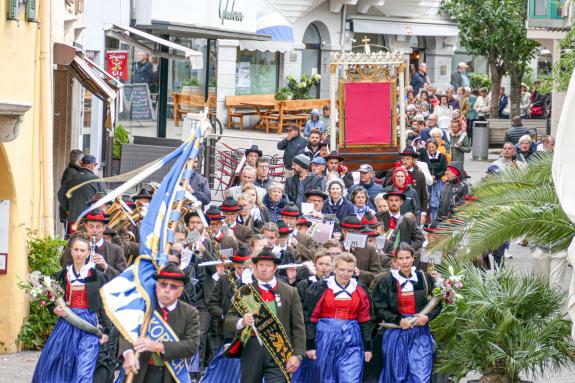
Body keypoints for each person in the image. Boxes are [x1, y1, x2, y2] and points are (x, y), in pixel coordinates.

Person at [32, 236, 111, 383]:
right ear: (71, 252)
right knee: (59, 365)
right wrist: (54, 309)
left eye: (83, 250)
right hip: (66, 325)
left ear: (88, 253)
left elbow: (104, 305)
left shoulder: (96, 276)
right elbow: (45, 294)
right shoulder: (62, 275)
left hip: (88, 325)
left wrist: (106, 330)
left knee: (84, 369)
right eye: (76, 250)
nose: (79, 253)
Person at [223, 248, 306, 382]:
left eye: (268, 265)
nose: (264, 269)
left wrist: (298, 355)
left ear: (275, 268)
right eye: (261, 265)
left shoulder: (290, 292)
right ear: (255, 267)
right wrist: (242, 322)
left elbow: (298, 327)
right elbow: (229, 320)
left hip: (280, 349)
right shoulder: (245, 291)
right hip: (251, 347)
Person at [372, 243, 441, 383]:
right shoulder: (386, 281)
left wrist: (427, 317)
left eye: (407, 258)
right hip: (395, 334)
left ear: (413, 258)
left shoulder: (424, 278)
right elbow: (379, 308)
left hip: (420, 334)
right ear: (395, 260)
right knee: (398, 377)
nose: (404, 261)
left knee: (421, 376)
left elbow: (438, 305)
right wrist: (398, 320)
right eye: (401, 258)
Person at [120, 262, 200, 382]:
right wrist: (128, 354)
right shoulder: (144, 307)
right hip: (141, 372)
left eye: (173, 286)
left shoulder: (190, 313)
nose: (167, 290)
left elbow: (191, 345)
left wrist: (159, 346)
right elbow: (126, 332)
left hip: (171, 375)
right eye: (163, 284)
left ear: (181, 291)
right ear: (156, 286)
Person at [303, 253, 374, 382]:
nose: (345, 273)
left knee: (350, 379)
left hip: (352, 339)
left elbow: (365, 319)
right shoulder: (320, 287)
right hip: (325, 338)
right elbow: (310, 318)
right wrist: (310, 344)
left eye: (349, 270)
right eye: (342, 269)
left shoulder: (360, 289)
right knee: (326, 379)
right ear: (334, 268)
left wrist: (368, 346)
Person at [58, 154, 108, 227]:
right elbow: (105, 199)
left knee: (75, 238)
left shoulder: (70, 177)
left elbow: (60, 195)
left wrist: (67, 209)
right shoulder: (97, 179)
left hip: (73, 219)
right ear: (92, 165)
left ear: (81, 163)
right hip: (91, 220)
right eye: (95, 165)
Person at [379, 190, 425, 257]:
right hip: (382, 256)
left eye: (396, 200)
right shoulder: (378, 218)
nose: (394, 203)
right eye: (391, 200)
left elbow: (420, 240)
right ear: (387, 201)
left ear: (401, 202)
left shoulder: (409, 223)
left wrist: (405, 249)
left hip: (401, 259)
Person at [426, 139, 448, 222]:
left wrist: (436, 176)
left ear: (436, 147)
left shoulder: (442, 156)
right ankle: (428, 220)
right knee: (428, 201)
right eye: (429, 147)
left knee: (437, 201)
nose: (431, 149)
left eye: (433, 147)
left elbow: (444, 169)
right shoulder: (424, 157)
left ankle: (435, 220)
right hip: (427, 181)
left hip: (437, 181)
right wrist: (429, 177)